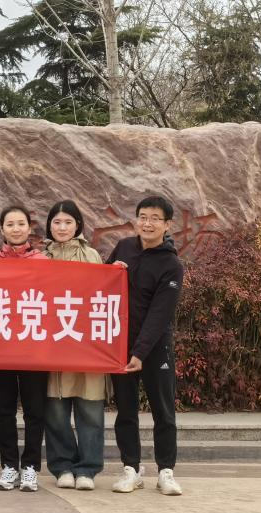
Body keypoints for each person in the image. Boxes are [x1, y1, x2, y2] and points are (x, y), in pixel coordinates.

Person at [107, 195, 185, 496]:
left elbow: (159, 314)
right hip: (119, 345)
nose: (147, 223)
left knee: (163, 411)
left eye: (155, 218)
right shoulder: (124, 247)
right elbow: (101, 287)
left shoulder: (171, 265)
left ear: (167, 225)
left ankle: (166, 471)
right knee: (125, 411)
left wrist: (139, 352)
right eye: (142, 217)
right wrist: (111, 270)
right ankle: (131, 469)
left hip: (155, 348)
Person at [42, 200, 111, 491]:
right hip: (51, 347)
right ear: (49, 226)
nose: (62, 228)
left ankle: (88, 469)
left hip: (86, 347)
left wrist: (117, 273)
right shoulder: (41, 258)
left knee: (90, 411)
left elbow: (105, 297)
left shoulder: (92, 256)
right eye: (56, 222)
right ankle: (63, 467)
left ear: (78, 225)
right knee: (56, 412)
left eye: (68, 222)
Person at [0, 206, 49, 492]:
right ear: (2, 229)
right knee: (4, 410)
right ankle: (9, 465)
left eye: (20, 223)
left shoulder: (43, 262)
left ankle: (31, 467)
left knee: (35, 411)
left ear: (29, 228)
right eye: (10, 224)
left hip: (33, 346)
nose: (15, 229)